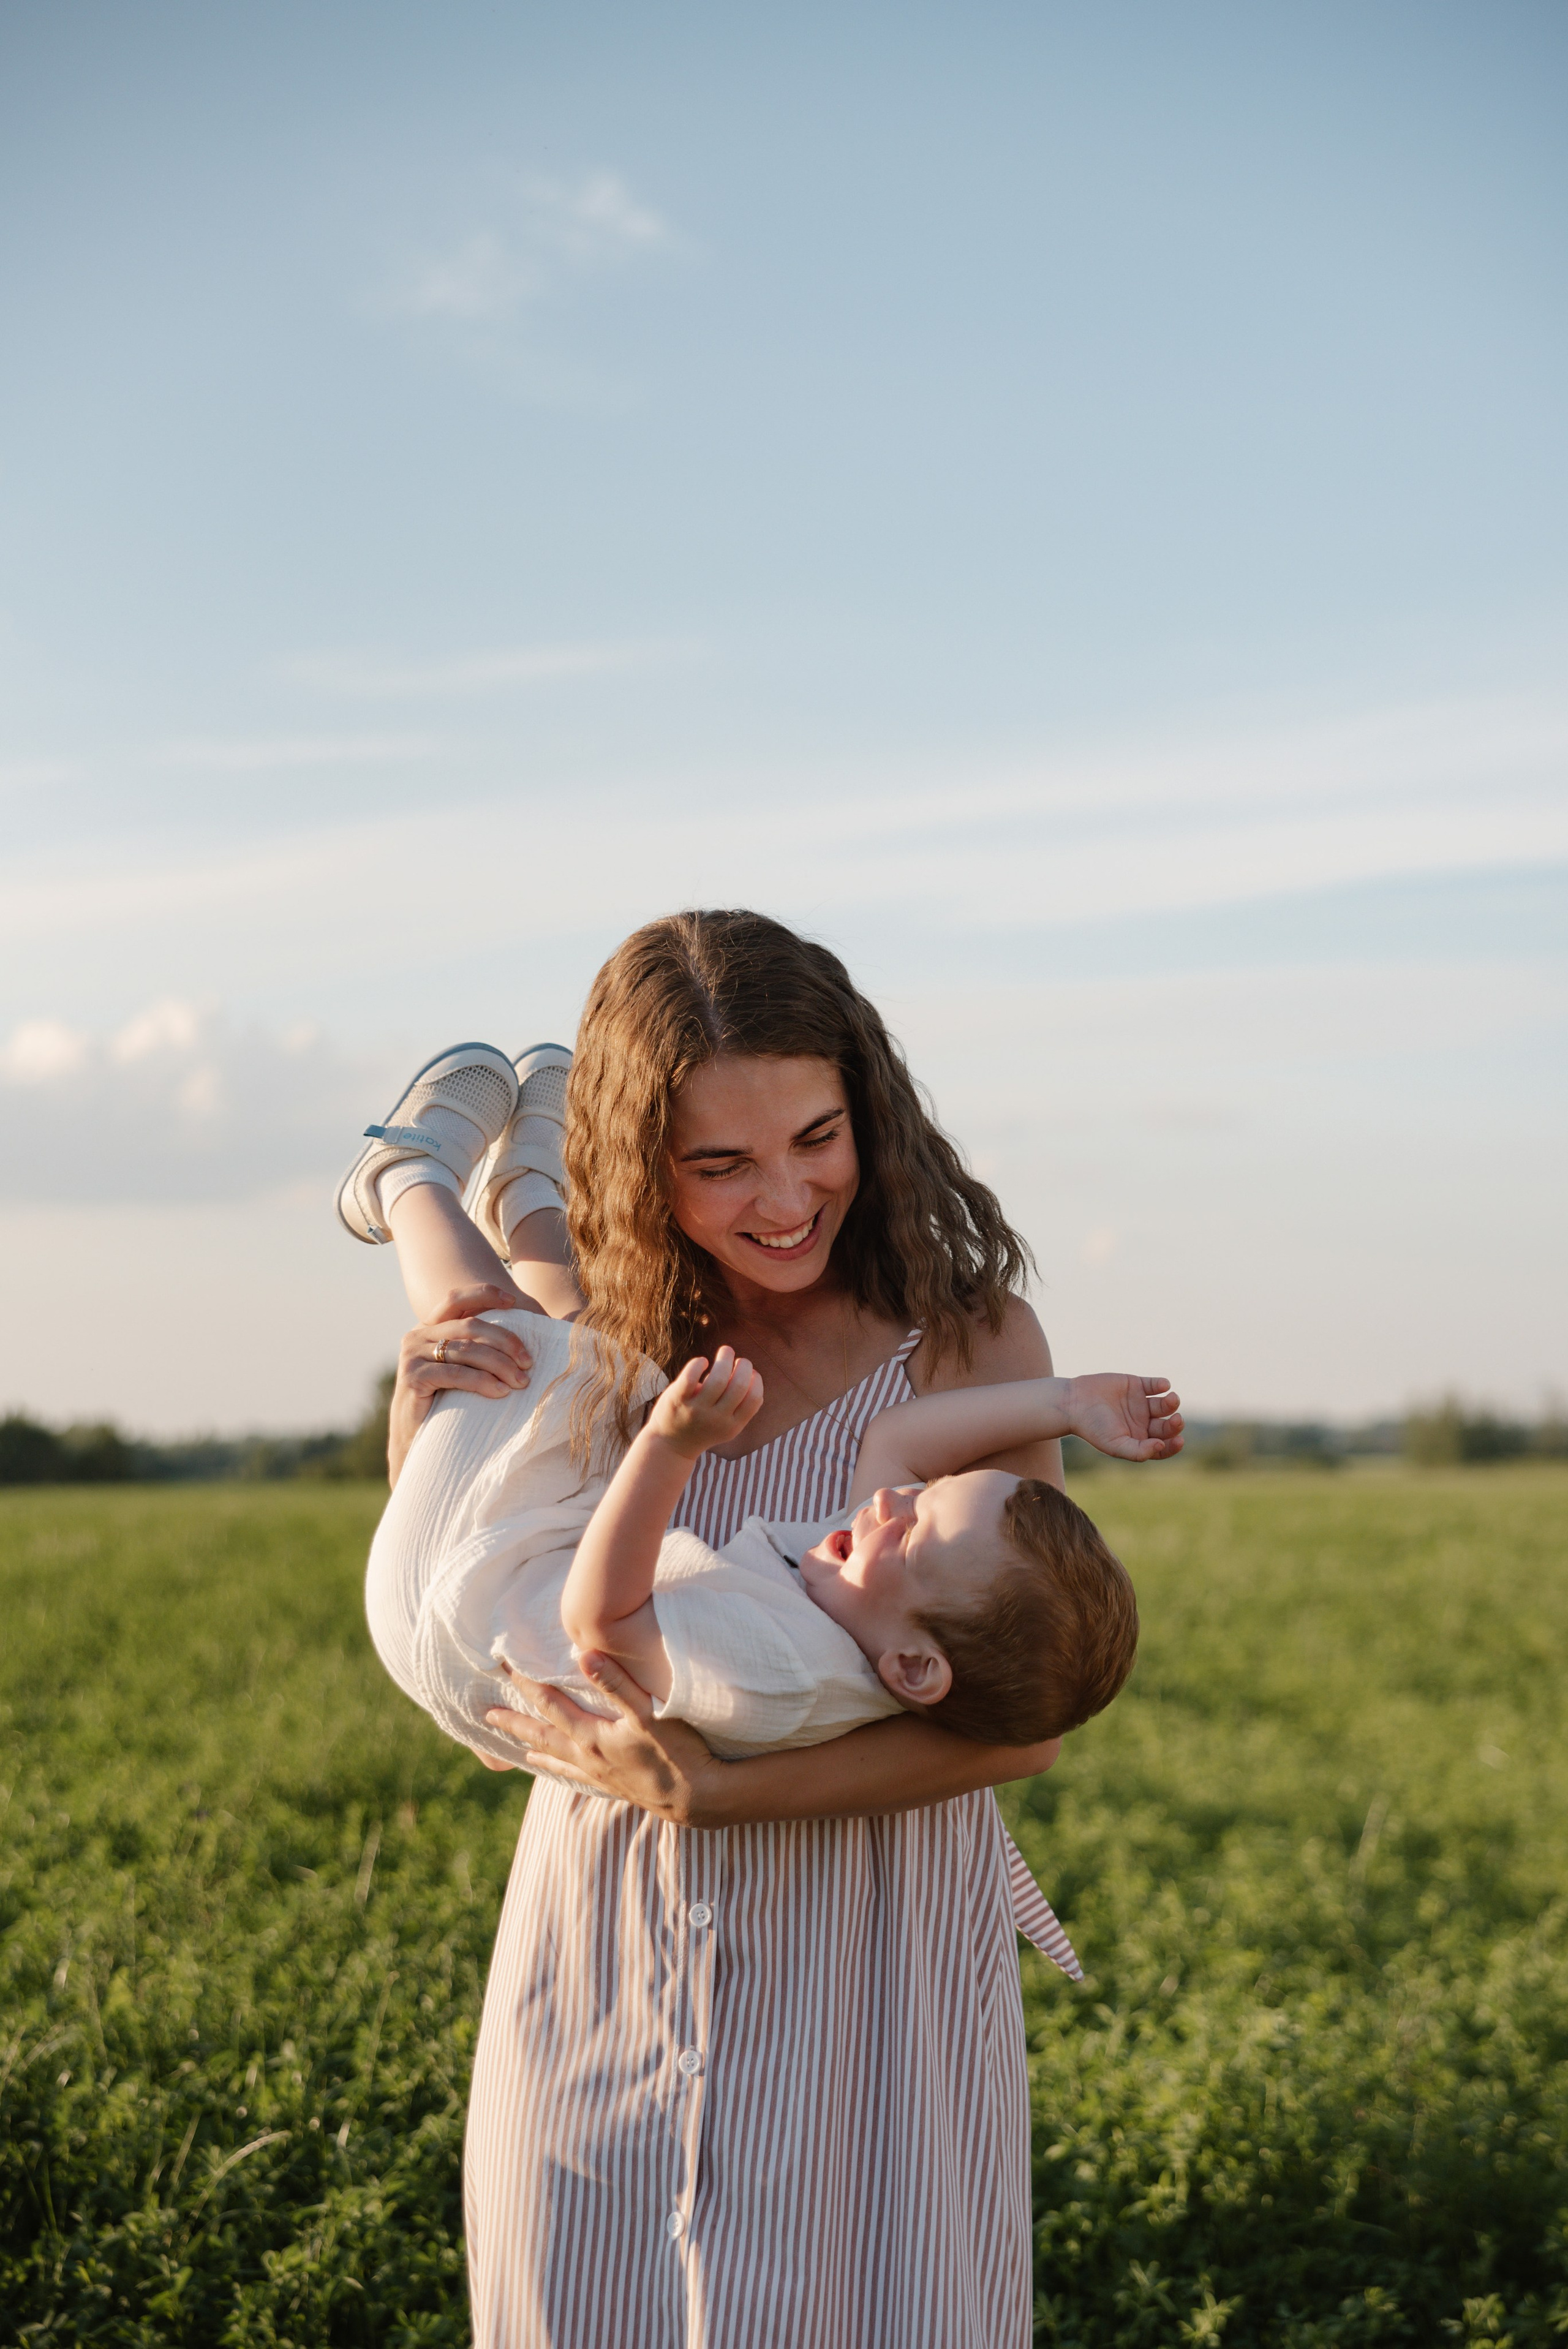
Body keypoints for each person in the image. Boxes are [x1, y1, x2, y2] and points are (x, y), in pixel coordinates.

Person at [357, 908, 1169, 2349]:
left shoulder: (970, 1343)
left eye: (816, 1136)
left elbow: (1016, 1721)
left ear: (869, 1108)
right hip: (610, 1924)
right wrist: (432, 1400)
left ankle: (467, 1158)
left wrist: (723, 1791)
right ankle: (474, 1163)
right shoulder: (611, 1330)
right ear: (643, 1164)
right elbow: (490, 1580)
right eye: (718, 1164)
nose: (786, 1197)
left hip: (879, 1961)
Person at [358, 1113, 1171, 1763]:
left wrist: (671, 1448)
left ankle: (406, 1172)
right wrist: (1064, 1402)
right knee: (585, 1357)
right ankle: (528, 1188)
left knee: (518, 1340)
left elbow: (600, 1623)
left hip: (457, 1612)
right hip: (497, 1598)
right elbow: (898, 1439)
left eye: (918, 1528)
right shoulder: (867, 1615)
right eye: (930, 1494)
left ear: (917, 1667)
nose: (894, 1502)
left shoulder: (785, 1662)